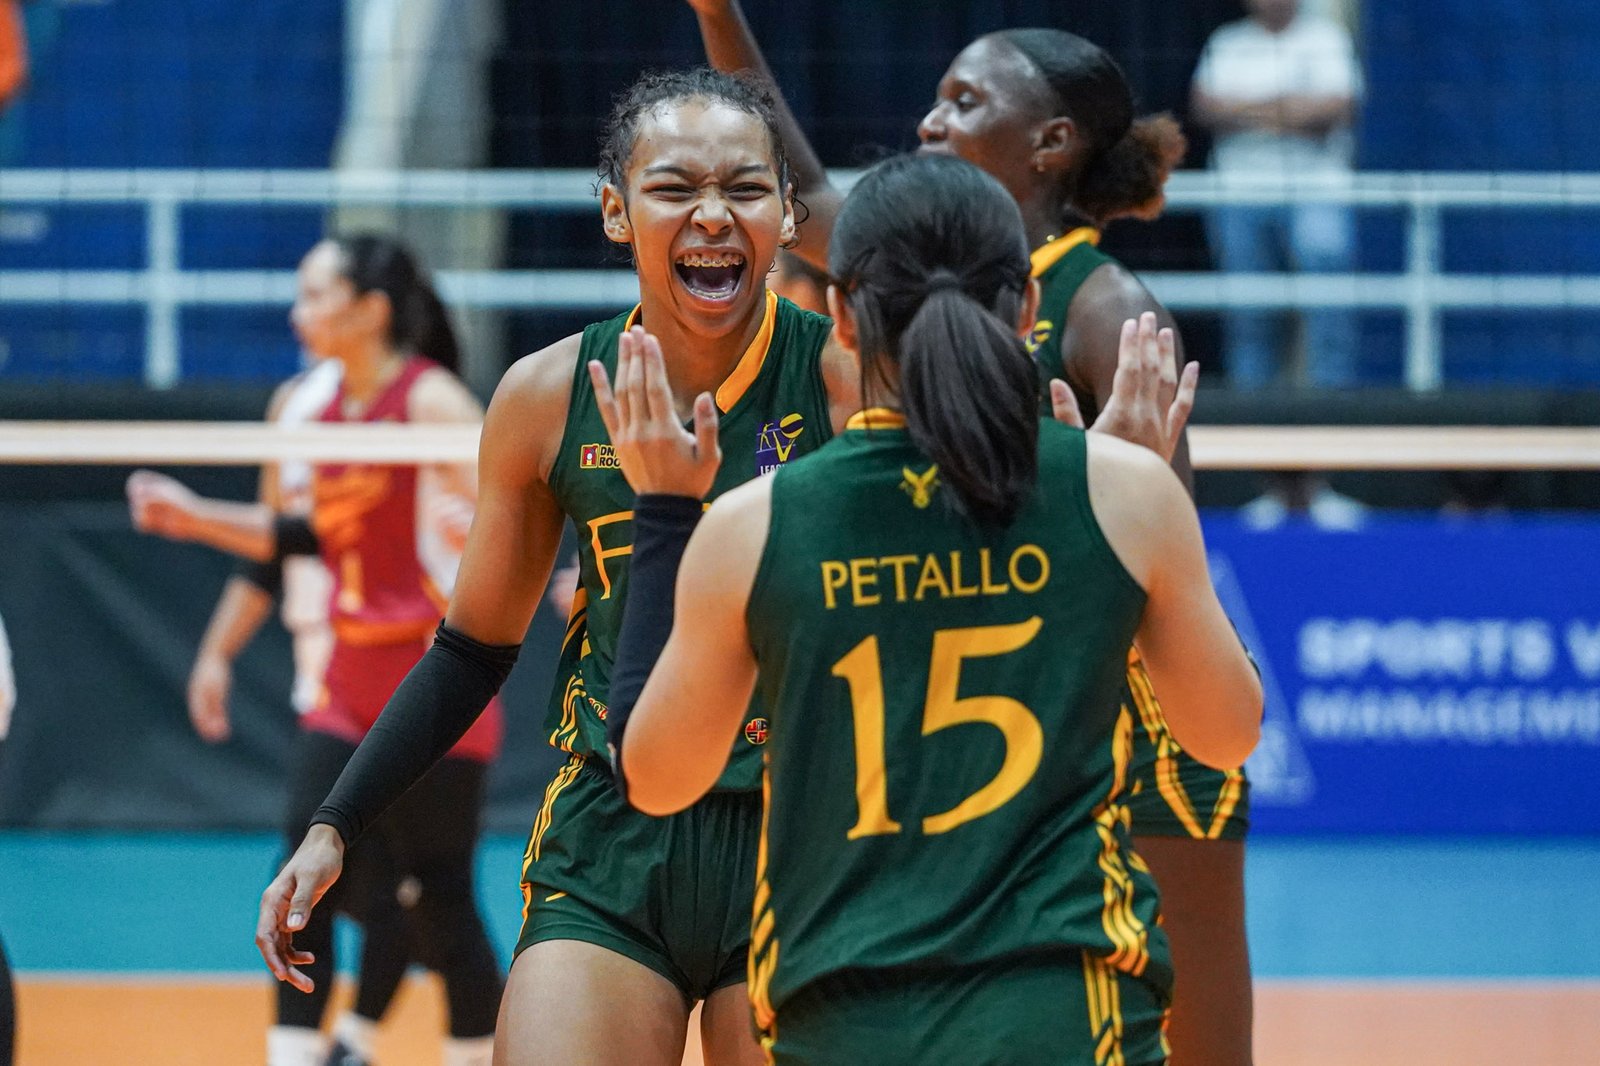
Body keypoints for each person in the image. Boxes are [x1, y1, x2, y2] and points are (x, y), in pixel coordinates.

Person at [255, 70, 1184, 1066]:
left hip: (809, 826)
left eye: (746, 188)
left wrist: (1103, 480)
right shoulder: (545, 397)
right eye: (674, 188)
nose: (712, 214)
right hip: (612, 832)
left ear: (789, 215)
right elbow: (472, 646)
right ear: (616, 211)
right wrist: (337, 821)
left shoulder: (849, 374)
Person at [600, 153, 1262, 1066]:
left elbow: (658, 779)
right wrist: (1133, 518)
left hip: (840, 1017)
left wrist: (668, 511)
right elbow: (1223, 735)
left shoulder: (754, 524)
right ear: (1028, 309)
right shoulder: (1120, 493)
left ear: (837, 313)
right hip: (1063, 1010)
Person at [129, 234, 504, 1066]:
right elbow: (297, 537)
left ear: (370, 311)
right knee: (302, 878)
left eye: (313, 296)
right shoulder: (308, 409)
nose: (297, 313)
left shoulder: (433, 402)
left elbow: (525, 501)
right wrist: (194, 523)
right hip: (343, 677)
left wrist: (518, 541)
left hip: (435, 678)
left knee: (438, 899)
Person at [1191, 0, 1364, 388]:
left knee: (1329, 310)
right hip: (1239, 194)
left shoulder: (1326, 38)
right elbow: (1207, 109)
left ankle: (1333, 412)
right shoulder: (1228, 41)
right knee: (1249, 314)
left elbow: (1336, 108)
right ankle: (1250, 414)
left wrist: (1247, 111)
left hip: (1316, 191)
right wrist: (1289, 108)